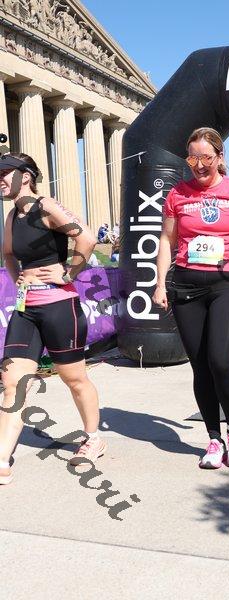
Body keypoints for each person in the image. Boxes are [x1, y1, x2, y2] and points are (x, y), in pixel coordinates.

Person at [152, 127, 229, 470]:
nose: (199, 165)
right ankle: (214, 438)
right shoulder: (177, 194)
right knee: (200, 367)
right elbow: (166, 241)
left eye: (206, 157)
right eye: (193, 159)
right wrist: (160, 283)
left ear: (219, 157)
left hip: (225, 286)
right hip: (186, 288)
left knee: (221, 362)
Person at [0, 152, 106, 485]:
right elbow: (7, 253)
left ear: (26, 177)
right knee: (12, 382)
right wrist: (17, 278)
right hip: (25, 309)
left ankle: (93, 438)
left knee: (74, 379)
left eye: (4, 173)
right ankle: (2, 457)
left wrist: (69, 272)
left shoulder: (46, 206)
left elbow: (87, 237)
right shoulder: (12, 215)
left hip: (59, 306)